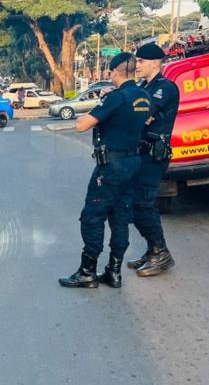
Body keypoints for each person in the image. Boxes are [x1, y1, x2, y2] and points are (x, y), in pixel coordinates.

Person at [59, 52, 150, 289]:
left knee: (93, 216)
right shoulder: (143, 96)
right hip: (133, 163)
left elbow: (81, 125)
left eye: (109, 72)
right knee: (120, 217)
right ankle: (114, 272)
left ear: (114, 72)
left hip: (112, 166)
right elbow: (144, 121)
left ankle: (87, 271)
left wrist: (103, 104)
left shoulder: (115, 98)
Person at [128, 42, 180, 276]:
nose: (137, 65)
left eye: (141, 61)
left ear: (155, 63)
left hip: (153, 154)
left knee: (143, 204)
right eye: (137, 60)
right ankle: (153, 249)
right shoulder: (143, 86)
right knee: (138, 204)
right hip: (140, 153)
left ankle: (161, 253)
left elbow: (140, 113)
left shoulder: (165, 88)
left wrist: (138, 115)